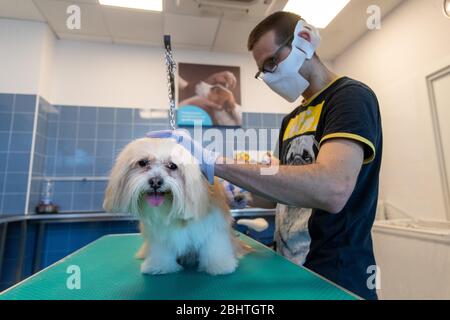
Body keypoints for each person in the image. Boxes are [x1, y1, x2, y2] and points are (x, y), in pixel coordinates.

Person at [148, 11, 382, 300]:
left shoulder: (349, 98)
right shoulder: (292, 119)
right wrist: (239, 194)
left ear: (304, 40)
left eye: (272, 62)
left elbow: (332, 189)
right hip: (292, 263)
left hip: (337, 274)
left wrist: (215, 163)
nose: (270, 75)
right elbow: (284, 190)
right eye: (263, 70)